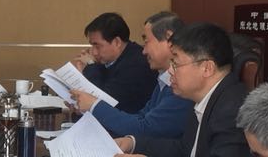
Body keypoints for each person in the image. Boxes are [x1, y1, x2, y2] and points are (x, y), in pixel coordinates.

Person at [111, 22, 262, 157]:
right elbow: (184, 150)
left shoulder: (233, 108)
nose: (170, 71)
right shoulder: (205, 98)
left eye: (175, 63)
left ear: (207, 68)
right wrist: (133, 143)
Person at [72, 10, 192, 141]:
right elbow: (142, 118)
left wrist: (94, 105)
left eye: (147, 42)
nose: (144, 51)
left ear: (169, 39)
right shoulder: (164, 78)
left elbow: (145, 129)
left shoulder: (183, 84)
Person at [68, 12, 155, 114]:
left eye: (97, 46)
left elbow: (105, 102)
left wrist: (90, 66)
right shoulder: (112, 60)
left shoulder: (136, 64)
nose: (94, 52)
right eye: (92, 46)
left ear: (117, 42)